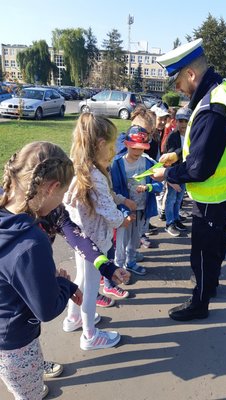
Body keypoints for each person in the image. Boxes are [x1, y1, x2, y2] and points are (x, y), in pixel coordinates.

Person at [152, 38, 226, 321]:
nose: (177, 89)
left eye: (177, 81)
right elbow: (209, 150)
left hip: (213, 194)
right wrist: (178, 157)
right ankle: (211, 286)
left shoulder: (211, 107)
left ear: (191, 74)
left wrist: (168, 173)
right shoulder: (225, 91)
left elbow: (199, 169)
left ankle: (200, 302)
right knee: (218, 245)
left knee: (204, 254)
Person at [0, 141, 82, 400]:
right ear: (51, 188)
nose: (61, 203)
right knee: (29, 395)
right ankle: (30, 388)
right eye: (63, 196)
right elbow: (46, 309)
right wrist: (63, 284)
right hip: (16, 342)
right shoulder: (32, 242)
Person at [63, 114, 134, 351]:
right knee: (91, 289)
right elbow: (109, 211)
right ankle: (90, 336)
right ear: (100, 144)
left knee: (81, 280)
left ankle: (73, 319)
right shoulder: (95, 176)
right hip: (95, 243)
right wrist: (123, 220)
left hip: (80, 239)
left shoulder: (76, 166)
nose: (115, 151)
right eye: (112, 146)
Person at [111, 125, 163, 275]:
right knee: (121, 241)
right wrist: (124, 209)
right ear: (126, 144)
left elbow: (159, 185)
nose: (137, 152)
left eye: (141, 148)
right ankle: (118, 268)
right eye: (134, 148)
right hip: (124, 211)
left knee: (135, 238)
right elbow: (114, 190)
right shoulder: (118, 164)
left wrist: (148, 187)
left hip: (141, 209)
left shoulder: (148, 163)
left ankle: (131, 262)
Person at [164, 107, 192, 237]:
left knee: (179, 198)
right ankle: (169, 223)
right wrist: (170, 178)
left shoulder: (191, 135)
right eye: (180, 121)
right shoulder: (172, 137)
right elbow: (169, 156)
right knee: (171, 198)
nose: (183, 124)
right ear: (176, 122)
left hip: (185, 172)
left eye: (186, 121)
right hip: (174, 172)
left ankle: (176, 219)